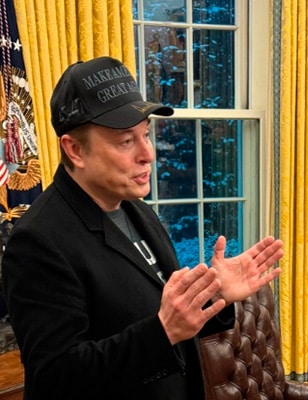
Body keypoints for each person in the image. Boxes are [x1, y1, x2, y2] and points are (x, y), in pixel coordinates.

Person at [1, 56, 283, 400]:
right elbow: (55, 378)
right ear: (75, 149)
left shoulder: (136, 209)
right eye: (125, 141)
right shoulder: (38, 240)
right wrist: (162, 332)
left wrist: (214, 295)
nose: (147, 154)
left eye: (145, 135)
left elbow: (160, 316)